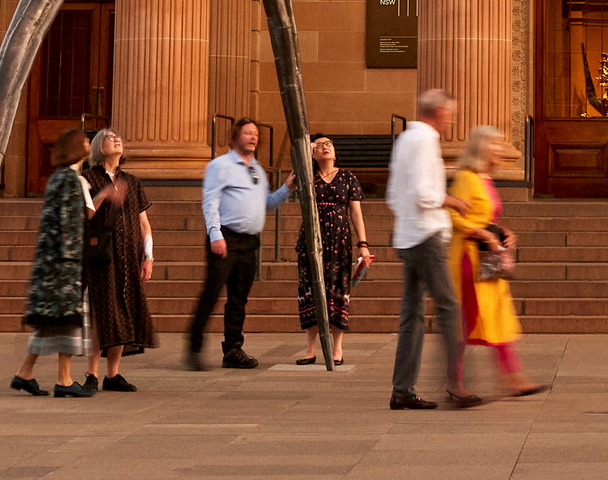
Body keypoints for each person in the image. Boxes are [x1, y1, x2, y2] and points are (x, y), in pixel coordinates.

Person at [444, 123, 544, 403]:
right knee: (467, 321)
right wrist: (479, 232)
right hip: (469, 259)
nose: (501, 150)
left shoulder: (485, 178)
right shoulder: (466, 177)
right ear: (482, 147)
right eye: (496, 145)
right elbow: (453, 215)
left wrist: (504, 232)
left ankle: (513, 379)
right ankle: (455, 381)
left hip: (488, 258)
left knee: (498, 316)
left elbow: (485, 217)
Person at [186, 116, 291, 371]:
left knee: (239, 298)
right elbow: (210, 201)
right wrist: (215, 234)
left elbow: (265, 203)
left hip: (249, 242)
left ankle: (233, 349)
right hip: (225, 237)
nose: (253, 137)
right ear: (235, 137)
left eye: (255, 133)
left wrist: (287, 188)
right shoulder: (220, 165)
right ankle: (194, 345)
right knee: (212, 293)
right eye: (247, 133)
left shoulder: (257, 169)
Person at [387, 87, 464, 411]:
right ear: (438, 112)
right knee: (449, 308)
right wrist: (452, 200)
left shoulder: (405, 139)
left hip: (408, 235)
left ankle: (402, 389)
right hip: (426, 236)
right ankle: (456, 385)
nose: (451, 119)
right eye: (450, 113)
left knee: (412, 315)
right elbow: (423, 193)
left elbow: (393, 194)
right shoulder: (424, 140)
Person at [13, 127, 99, 400]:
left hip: (55, 264)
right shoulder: (69, 180)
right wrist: (73, 261)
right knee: (67, 321)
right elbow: (67, 224)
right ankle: (64, 380)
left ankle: (25, 374)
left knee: (52, 323)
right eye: (86, 141)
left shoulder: (60, 178)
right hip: (62, 266)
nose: (90, 144)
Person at [293, 133, 372, 368]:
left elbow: (356, 213)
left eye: (329, 144)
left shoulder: (347, 177)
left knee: (339, 289)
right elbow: (295, 180)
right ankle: (310, 349)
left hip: (339, 240)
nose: (325, 147)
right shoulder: (307, 177)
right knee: (309, 289)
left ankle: (338, 347)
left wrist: (363, 243)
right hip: (311, 240)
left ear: (335, 152)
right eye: (319, 145)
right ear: (312, 153)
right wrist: (306, 155)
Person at [81, 156, 155, 392]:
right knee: (101, 312)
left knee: (123, 310)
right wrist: (104, 194)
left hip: (129, 257)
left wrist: (148, 256)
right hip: (103, 255)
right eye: (111, 138)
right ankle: (91, 373)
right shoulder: (88, 177)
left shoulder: (132, 182)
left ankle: (112, 374)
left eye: (118, 139)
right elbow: (86, 214)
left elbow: (144, 223)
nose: (116, 141)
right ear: (99, 147)